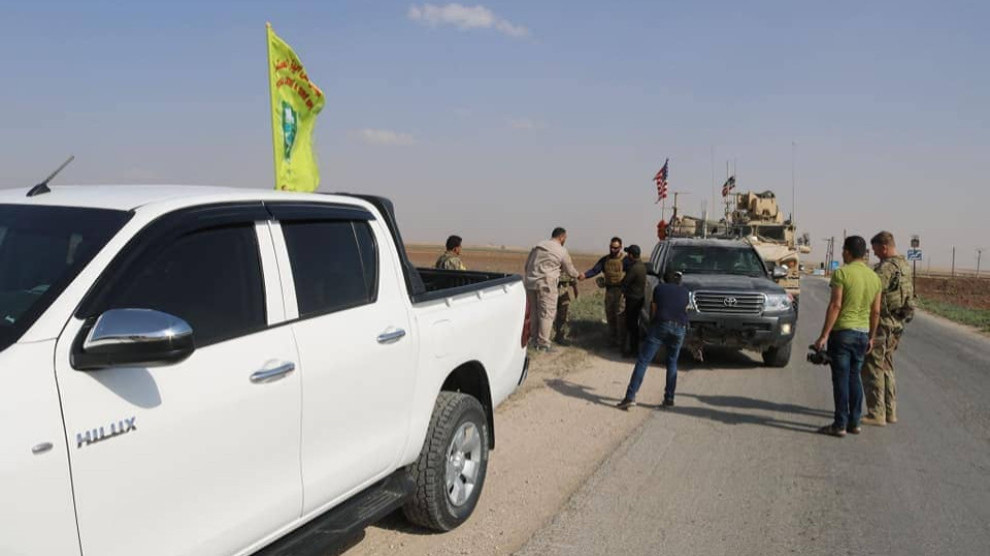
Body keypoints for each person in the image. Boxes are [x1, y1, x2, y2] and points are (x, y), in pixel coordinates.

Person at [813, 236, 883, 438]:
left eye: (843, 250)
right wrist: (871, 336)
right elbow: (876, 311)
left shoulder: (842, 273)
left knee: (841, 379)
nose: (842, 253)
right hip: (862, 335)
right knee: (855, 378)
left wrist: (824, 335)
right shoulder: (874, 278)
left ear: (848, 252)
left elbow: (836, 305)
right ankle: (855, 422)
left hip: (843, 334)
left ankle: (840, 424)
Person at [861, 231, 915, 426]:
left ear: (884, 247)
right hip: (897, 323)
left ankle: (876, 413)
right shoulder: (904, 265)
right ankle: (890, 411)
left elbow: (872, 293)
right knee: (887, 365)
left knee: (873, 366)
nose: (875, 254)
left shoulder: (885, 268)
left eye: (876, 250)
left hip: (883, 324)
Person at [616, 269, 689, 409]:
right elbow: (684, 310)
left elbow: (654, 310)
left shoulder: (659, 288)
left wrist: (651, 326)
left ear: (664, 279)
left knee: (643, 360)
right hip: (680, 328)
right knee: (672, 362)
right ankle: (669, 399)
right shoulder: (685, 291)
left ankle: (630, 397)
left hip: (661, 325)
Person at [524, 227, 583, 353]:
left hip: (530, 283)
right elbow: (570, 270)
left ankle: (534, 341)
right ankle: (544, 343)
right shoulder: (561, 251)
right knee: (546, 314)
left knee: (533, 313)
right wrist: (578, 275)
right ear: (562, 237)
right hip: (547, 284)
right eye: (565, 238)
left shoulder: (538, 246)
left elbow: (527, 265)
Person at [582, 237, 631, 346]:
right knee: (610, 316)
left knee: (621, 317)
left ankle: (622, 341)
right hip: (609, 291)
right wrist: (584, 275)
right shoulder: (605, 260)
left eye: (615, 248)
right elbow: (595, 270)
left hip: (621, 292)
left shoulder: (626, 260)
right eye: (611, 247)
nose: (612, 250)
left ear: (620, 247)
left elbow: (632, 274)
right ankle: (612, 340)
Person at [620, 245, 647, 357]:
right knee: (634, 324)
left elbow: (625, 282)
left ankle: (633, 350)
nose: (627, 255)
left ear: (631, 255)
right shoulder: (642, 266)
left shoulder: (634, 268)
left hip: (633, 299)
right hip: (639, 297)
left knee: (631, 325)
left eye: (628, 254)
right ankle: (634, 349)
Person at [553, 274, 580, 345]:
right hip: (551, 295)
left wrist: (576, 295)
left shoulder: (565, 270)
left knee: (562, 317)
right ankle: (551, 335)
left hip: (563, 295)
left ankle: (560, 336)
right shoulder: (549, 268)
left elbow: (573, 282)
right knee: (550, 317)